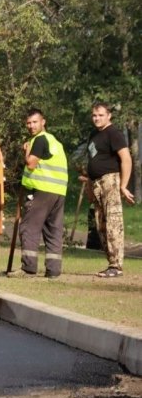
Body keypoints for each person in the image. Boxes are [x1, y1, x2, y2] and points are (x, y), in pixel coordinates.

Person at [12, 108, 68, 278]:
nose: (31, 126)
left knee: (29, 227)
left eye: (35, 122)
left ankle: (28, 268)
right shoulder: (55, 141)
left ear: (43, 122)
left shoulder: (39, 140)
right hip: (58, 191)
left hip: (42, 190)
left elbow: (31, 164)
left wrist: (27, 150)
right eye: (28, 123)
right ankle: (54, 270)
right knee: (53, 230)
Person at [83, 102, 135, 278]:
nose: (97, 118)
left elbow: (126, 159)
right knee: (101, 224)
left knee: (113, 223)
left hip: (110, 181)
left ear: (109, 116)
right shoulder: (94, 134)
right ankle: (111, 263)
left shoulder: (114, 133)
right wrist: (90, 187)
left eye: (100, 115)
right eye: (94, 115)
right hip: (96, 183)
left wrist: (123, 185)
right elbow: (91, 161)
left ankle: (116, 265)